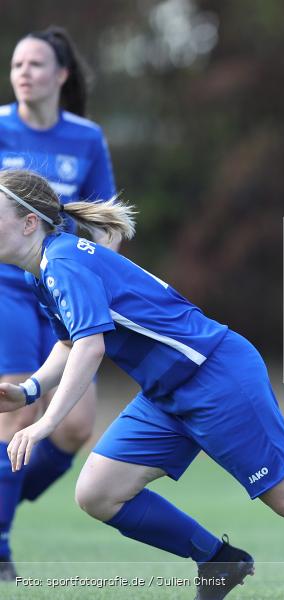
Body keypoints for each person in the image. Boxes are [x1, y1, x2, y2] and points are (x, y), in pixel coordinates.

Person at [0, 169, 284, 600]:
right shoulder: (42, 269)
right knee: (98, 492)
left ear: (29, 222)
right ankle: (218, 561)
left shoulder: (62, 262)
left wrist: (42, 424)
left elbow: (90, 349)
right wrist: (29, 392)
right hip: (166, 393)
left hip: (215, 376)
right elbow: (68, 343)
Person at [0, 26, 118, 579]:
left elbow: (105, 218)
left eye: (36, 64)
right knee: (18, 411)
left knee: (74, 427)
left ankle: (3, 494)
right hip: (6, 291)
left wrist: (103, 270)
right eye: (17, 64)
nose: (23, 72)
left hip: (61, 289)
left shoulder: (86, 137)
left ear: (61, 75)